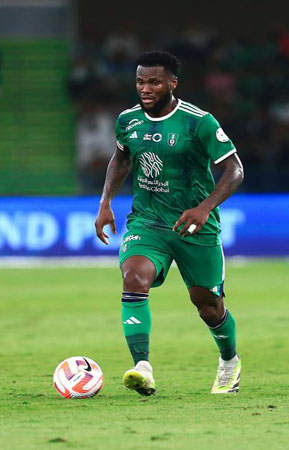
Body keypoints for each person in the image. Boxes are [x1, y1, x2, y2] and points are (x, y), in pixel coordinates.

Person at [94, 51, 244, 396]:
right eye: (140, 82)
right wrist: (105, 202)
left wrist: (204, 208)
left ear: (172, 83)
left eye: (154, 82)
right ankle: (142, 368)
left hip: (195, 225)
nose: (145, 89)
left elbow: (234, 169)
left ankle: (229, 360)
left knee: (208, 306)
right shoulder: (128, 121)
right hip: (148, 221)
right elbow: (121, 158)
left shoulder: (198, 122)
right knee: (134, 276)